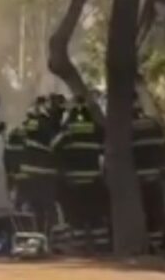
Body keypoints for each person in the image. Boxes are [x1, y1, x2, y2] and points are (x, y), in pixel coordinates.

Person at [53, 94, 107, 253]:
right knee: (95, 217)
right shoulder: (96, 129)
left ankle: (81, 248)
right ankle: (102, 248)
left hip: (74, 182)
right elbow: (106, 149)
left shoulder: (67, 131)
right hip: (93, 181)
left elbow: (54, 147)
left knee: (77, 218)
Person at [16, 97, 63, 239]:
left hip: (27, 173)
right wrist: (65, 133)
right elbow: (54, 144)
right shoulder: (45, 124)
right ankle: (50, 240)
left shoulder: (32, 122)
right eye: (58, 112)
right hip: (43, 174)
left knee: (33, 208)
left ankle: (32, 237)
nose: (59, 116)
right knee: (48, 209)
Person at [132, 99, 165, 252]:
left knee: (143, 212)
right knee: (156, 212)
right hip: (156, 176)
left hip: (139, 178)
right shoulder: (154, 124)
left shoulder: (127, 127)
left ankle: (147, 245)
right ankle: (157, 246)